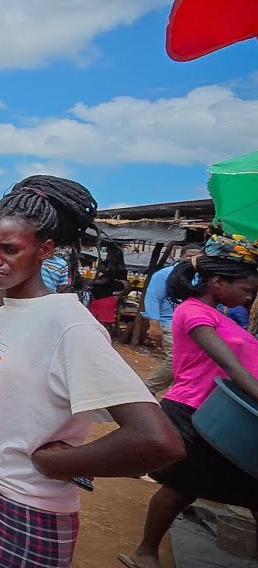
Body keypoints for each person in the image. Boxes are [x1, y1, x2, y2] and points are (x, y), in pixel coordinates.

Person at [0, 175, 183, 568]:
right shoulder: (1, 314)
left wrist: (57, 464)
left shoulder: (69, 323)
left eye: (9, 249)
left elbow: (157, 441)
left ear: (44, 249)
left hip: (13, 508)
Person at [121, 234, 258, 568]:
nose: (250, 297)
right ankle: (146, 552)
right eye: (248, 289)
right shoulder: (193, 312)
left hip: (233, 414)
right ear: (218, 281)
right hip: (198, 412)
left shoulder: (224, 317)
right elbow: (230, 365)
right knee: (182, 488)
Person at [143, 244, 203, 394]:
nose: (193, 259)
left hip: (190, 325)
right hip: (168, 323)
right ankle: (148, 389)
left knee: (190, 360)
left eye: (197, 257)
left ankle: (178, 392)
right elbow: (153, 298)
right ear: (180, 256)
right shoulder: (165, 274)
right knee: (176, 358)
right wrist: (154, 324)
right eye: (189, 256)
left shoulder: (200, 277)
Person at [85, 241, 128, 330]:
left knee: (103, 322)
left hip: (105, 298)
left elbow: (103, 281)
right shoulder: (107, 271)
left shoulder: (111, 272)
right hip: (99, 298)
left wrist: (91, 282)